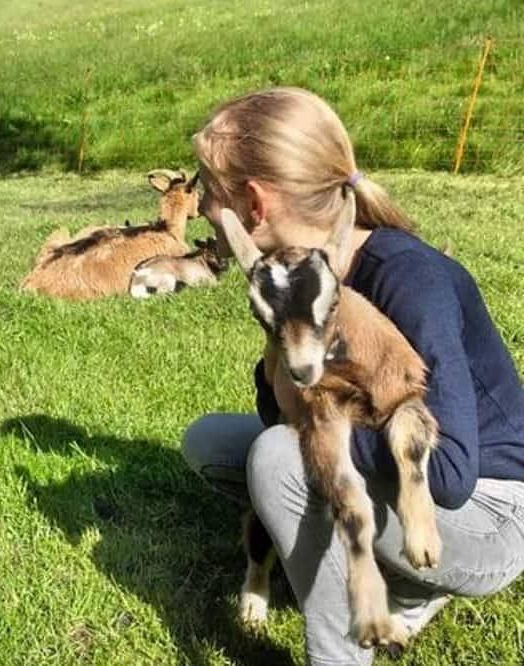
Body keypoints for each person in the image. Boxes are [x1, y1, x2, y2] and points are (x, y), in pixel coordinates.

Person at [182, 87, 524, 665]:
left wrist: (316, 437)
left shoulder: (408, 278)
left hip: (490, 513)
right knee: (211, 442)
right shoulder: (293, 279)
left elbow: (448, 475)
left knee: (279, 459)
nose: (202, 210)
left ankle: (358, 638)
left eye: (208, 192)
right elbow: (280, 405)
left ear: (254, 205)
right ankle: (390, 572)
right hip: (391, 457)